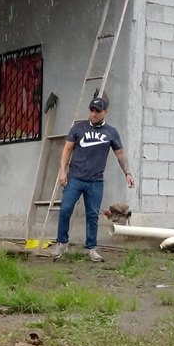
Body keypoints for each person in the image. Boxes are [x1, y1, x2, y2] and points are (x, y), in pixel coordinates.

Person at [53, 96, 135, 261]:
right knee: (65, 209)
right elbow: (67, 149)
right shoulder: (78, 128)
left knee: (92, 215)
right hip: (75, 178)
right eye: (92, 110)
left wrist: (127, 173)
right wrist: (62, 172)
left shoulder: (111, 132)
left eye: (98, 111)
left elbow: (120, 155)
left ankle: (91, 248)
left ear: (105, 112)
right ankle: (62, 243)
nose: (94, 113)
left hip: (95, 181)